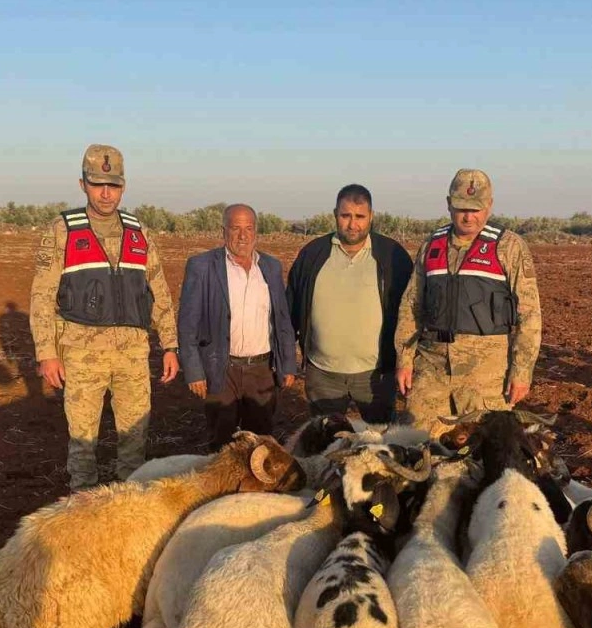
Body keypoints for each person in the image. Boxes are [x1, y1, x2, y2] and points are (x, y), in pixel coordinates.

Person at [29, 144, 179, 489]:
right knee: (83, 443)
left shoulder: (139, 232)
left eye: (113, 185)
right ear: (83, 184)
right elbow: (42, 296)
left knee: (135, 441)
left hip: (133, 354)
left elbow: (159, 291)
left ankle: (126, 507)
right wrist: (47, 353)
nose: (106, 193)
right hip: (82, 353)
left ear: (123, 187)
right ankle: (82, 506)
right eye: (98, 184)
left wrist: (170, 345)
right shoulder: (63, 230)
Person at [394, 168, 542, 434]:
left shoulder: (509, 247)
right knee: (419, 442)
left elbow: (529, 315)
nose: (469, 216)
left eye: (476, 209)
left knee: (486, 447)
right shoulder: (432, 245)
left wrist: (522, 371)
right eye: (461, 208)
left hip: (487, 377)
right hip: (432, 369)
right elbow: (411, 304)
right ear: (449, 204)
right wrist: (404, 359)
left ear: (489, 205)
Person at [286, 183, 413, 424]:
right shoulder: (313, 254)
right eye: (345, 216)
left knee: (378, 439)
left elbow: (411, 311)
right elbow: (291, 307)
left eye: (360, 217)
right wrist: (285, 359)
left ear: (371, 216)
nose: (352, 224)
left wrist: (406, 360)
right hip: (323, 374)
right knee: (326, 440)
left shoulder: (392, 255)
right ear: (335, 215)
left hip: (375, 375)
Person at [178, 204, 297, 448]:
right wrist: (194, 371)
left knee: (260, 442)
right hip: (221, 368)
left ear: (256, 232)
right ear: (224, 231)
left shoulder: (271, 267)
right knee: (221, 441)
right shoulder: (202, 266)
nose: (242, 236)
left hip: (262, 371)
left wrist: (287, 365)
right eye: (235, 228)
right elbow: (188, 324)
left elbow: (282, 319)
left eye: (248, 228)